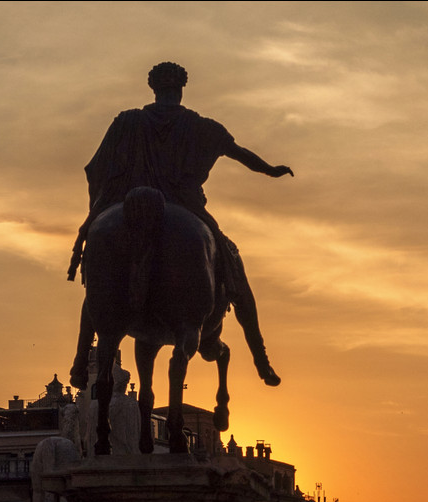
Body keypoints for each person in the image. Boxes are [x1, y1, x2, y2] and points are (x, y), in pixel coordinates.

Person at [69, 61, 293, 389]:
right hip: (185, 206)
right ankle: (261, 359)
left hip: (127, 205)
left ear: (154, 89)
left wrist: (97, 216)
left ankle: (78, 361)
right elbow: (240, 154)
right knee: (233, 265)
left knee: (98, 285)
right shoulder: (201, 126)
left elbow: (96, 169)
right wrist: (271, 170)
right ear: (181, 89)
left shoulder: (126, 121)